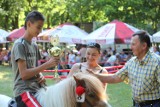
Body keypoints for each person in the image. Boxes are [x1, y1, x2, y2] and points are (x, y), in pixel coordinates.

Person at [88, 30, 160, 107]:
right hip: (137, 104)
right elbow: (115, 77)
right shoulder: (132, 62)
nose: (131, 47)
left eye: (133, 44)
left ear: (144, 46)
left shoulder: (157, 62)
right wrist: (94, 76)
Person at [11, 11, 60, 107]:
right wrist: (47, 65)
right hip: (23, 91)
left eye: (41, 28)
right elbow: (24, 74)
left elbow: (34, 68)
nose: (40, 31)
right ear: (29, 24)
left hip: (36, 88)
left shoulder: (34, 45)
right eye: (38, 27)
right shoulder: (19, 45)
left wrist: (40, 75)